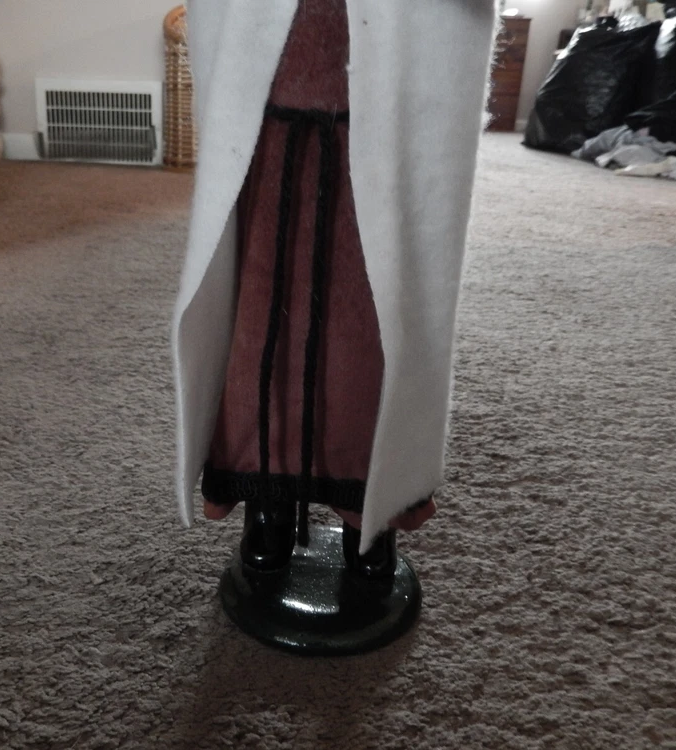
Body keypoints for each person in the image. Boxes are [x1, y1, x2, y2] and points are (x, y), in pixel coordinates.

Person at [172, 0, 497, 573]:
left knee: (368, 331)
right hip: (263, 116)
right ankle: (267, 496)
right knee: (258, 325)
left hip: (385, 117)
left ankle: (368, 513)